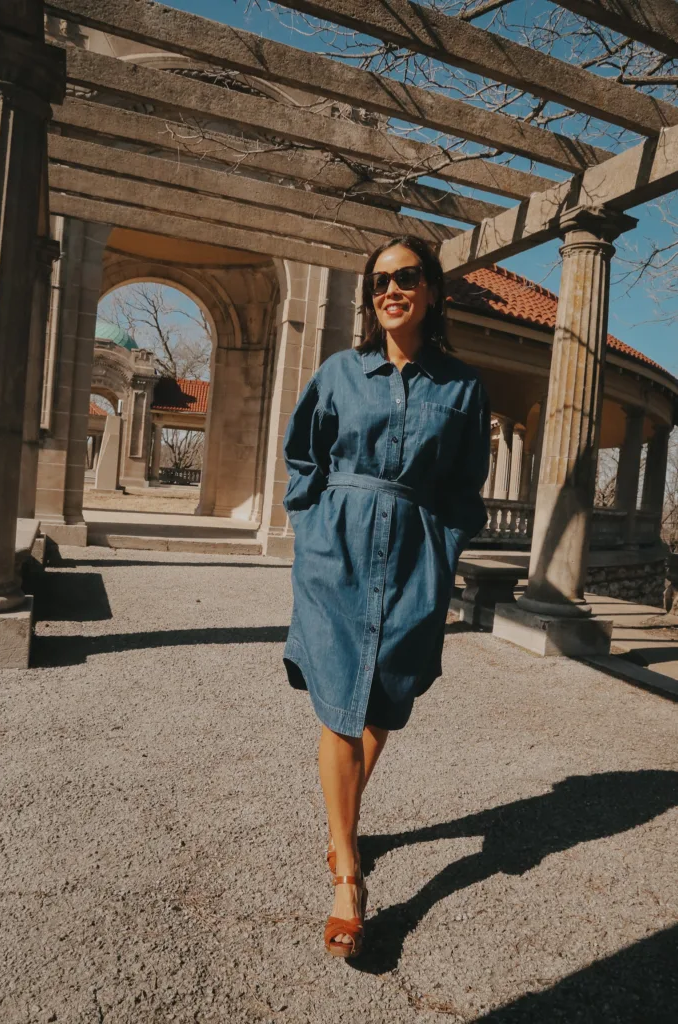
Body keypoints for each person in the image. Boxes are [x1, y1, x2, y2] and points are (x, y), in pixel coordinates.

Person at [282, 236, 491, 958]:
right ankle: (347, 874)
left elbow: (466, 488)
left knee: (385, 698)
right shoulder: (339, 371)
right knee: (341, 703)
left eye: (406, 277)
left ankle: (343, 823)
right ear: (369, 297)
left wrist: (446, 550)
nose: (391, 290)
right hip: (335, 551)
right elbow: (302, 455)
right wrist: (311, 528)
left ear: (432, 290)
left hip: (415, 554)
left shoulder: (462, 387)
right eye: (379, 281)